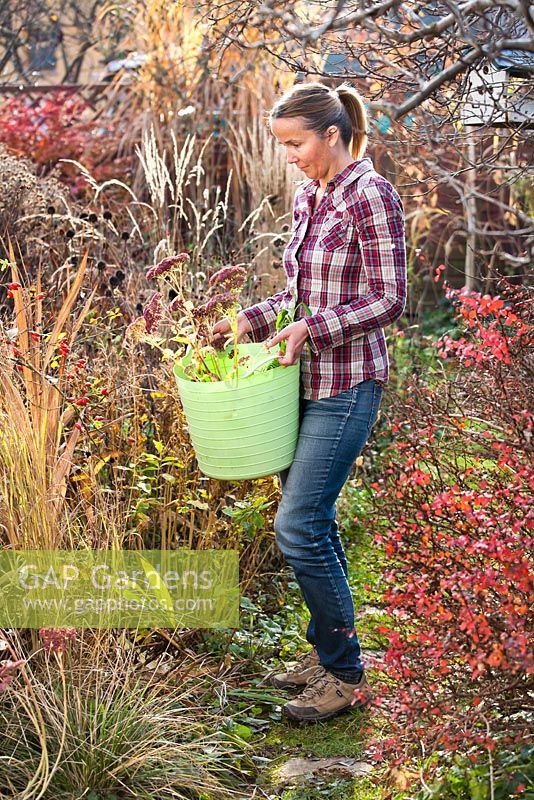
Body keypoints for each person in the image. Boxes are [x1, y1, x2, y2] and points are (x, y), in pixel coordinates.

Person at [212, 81, 407, 723]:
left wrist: (313, 330)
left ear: (332, 135)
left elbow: (388, 299)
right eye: (283, 146)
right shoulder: (308, 197)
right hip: (304, 385)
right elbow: (299, 299)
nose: (289, 157)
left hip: (349, 385)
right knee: (311, 523)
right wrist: (252, 319)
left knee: (297, 527)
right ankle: (330, 650)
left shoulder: (371, 196)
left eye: (296, 144)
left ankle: (345, 676)